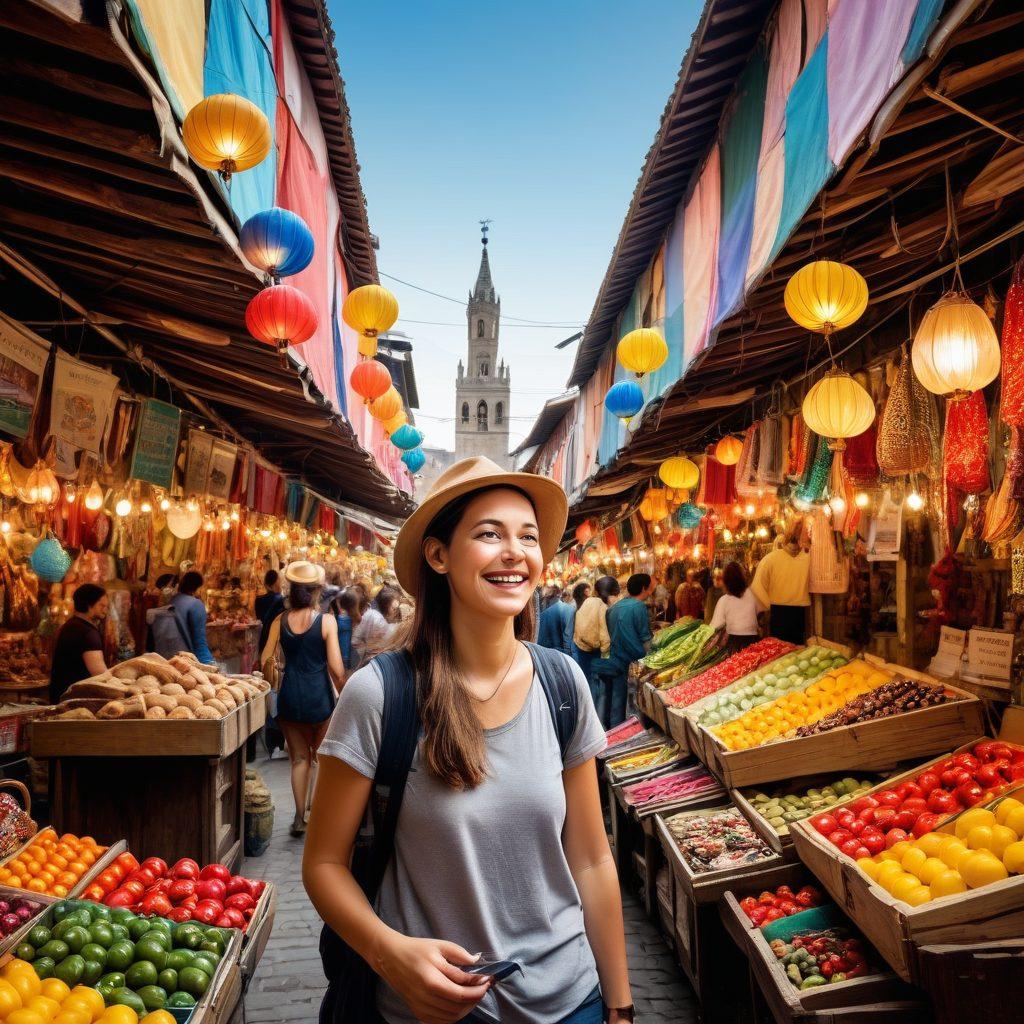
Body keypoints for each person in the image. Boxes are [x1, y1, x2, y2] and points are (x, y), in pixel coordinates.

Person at [303, 456, 633, 1024]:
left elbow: (592, 859)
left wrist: (621, 1006)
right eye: (489, 534)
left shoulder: (563, 684)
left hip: (569, 1001)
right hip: (429, 1010)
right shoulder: (379, 695)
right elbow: (324, 864)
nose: (514, 552)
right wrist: (391, 953)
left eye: (527, 537)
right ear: (438, 555)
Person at [262, 561, 345, 836]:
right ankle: (315, 815)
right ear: (318, 591)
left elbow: (265, 659)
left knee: (299, 759)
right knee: (319, 758)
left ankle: (299, 818)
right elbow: (335, 668)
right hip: (319, 698)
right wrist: (345, 691)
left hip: (289, 697)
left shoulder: (279, 620)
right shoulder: (327, 621)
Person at [597, 573, 654, 729]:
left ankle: (616, 734)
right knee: (634, 703)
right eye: (650, 587)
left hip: (616, 659)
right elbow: (645, 639)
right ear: (644, 588)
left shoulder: (612, 609)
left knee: (617, 699)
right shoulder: (640, 607)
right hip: (635, 662)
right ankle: (634, 734)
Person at [751, 525, 811, 644]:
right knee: (797, 648)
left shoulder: (770, 559)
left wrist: (766, 606)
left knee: (778, 649)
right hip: (801, 612)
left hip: (778, 611)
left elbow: (757, 587)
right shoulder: (809, 558)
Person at [50, 584, 108, 703]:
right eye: (101, 605)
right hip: (75, 701)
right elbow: (100, 675)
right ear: (89, 605)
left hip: (60, 696)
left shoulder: (69, 625)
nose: (105, 610)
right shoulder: (88, 633)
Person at [573, 575, 619, 691]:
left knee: (586, 680)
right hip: (594, 651)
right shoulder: (602, 606)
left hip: (580, 646)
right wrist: (606, 655)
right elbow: (604, 634)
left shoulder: (588, 601)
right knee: (596, 685)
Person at [710, 562, 762, 652]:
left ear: (725, 581)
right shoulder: (754, 594)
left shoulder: (724, 600)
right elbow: (760, 612)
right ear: (743, 578)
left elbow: (715, 625)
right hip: (754, 641)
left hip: (734, 644)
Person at [169, 571, 216, 666]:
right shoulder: (195, 604)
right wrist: (209, 663)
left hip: (169, 657)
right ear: (198, 587)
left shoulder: (172, 600)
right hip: (187, 660)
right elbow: (199, 641)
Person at [338, 588, 392, 668]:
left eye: (349, 611)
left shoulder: (375, 619)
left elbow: (382, 646)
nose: (348, 614)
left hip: (374, 662)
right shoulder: (349, 619)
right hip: (362, 661)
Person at [537, 587, 575, 655]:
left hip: (544, 653)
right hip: (562, 655)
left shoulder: (542, 615)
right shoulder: (569, 609)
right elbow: (568, 638)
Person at [256, 569, 285, 653]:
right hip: (277, 639)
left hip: (264, 638)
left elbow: (259, 618)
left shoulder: (258, 600)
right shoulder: (281, 600)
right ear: (276, 582)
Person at [331, 589, 355, 673]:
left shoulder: (338, 595)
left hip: (341, 618)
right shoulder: (347, 619)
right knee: (345, 653)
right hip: (344, 619)